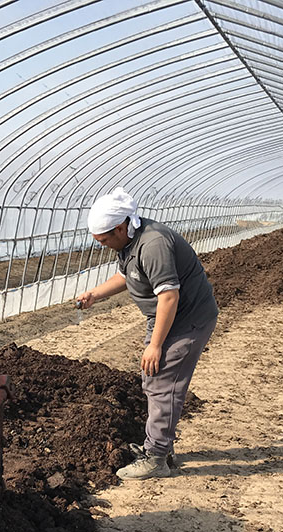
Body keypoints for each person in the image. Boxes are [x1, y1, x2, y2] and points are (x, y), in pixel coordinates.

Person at [77, 187, 218, 480]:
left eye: (103, 240)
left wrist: (155, 345)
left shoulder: (153, 244)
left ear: (119, 227)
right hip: (166, 317)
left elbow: (169, 296)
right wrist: (95, 294)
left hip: (186, 318)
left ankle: (156, 458)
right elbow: (128, 275)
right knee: (154, 379)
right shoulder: (130, 241)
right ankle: (160, 448)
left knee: (163, 382)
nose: (102, 245)